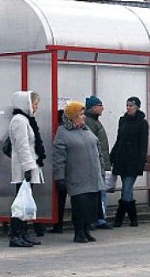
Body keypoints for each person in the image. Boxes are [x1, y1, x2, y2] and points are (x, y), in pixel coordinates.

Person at [53, 101, 106, 243]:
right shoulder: (63, 132)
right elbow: (59, 157)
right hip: (77, 176)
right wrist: (59, 177)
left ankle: (87, 230)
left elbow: (98, 150)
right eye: (81, 114)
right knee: (80, 206)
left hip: (93, 176)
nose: (84, 117)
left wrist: (101, 169)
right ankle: (79, 232)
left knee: (91, 206)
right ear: (72, 117)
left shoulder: (86, 129)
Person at [8, 90, 46, 247]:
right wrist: (28, 168)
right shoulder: (19, 121)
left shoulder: (25, 119)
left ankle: (23, 232)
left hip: (28, 166)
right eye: (34, 104)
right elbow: (22, 146)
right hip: (24, 168)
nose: (36, 107)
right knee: (20, 201)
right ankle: (16, 235)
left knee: (24, 201)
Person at [110, 96, 149, 227]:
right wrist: (111, 156)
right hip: (121, 159)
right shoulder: (122, 120)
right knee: (128, 190)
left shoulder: (142, 123)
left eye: (131, 105)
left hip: (133, 161)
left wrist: (141, 163)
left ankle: (119, 218)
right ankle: (133, 219)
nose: (128, 108)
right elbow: (118, 139)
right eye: (127, 105)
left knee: (126, 188)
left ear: (137, 107)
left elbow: (144, 144)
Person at [84, 96, 113, 230]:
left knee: (100, 192)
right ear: (93, 108)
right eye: (100, 105)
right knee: (99, 192)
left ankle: (100, 218)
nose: (103, 108)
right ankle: (98, 219)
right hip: (96, 164)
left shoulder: (94, 121)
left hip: (100, 163)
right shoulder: (90, 122)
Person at [48, 109, 67, 234]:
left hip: (55, 169)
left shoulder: (56, 131)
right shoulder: (67, 130)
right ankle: (58, 224)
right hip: (66, 170)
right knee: (61, 198)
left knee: (57, 198)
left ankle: (56, 224)